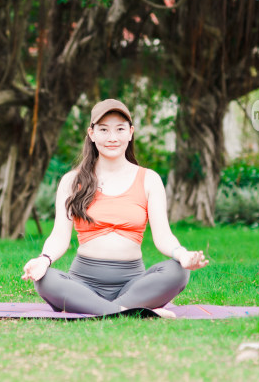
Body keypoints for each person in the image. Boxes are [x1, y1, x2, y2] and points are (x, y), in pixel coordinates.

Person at [21, 99, 208, 318]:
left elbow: (163, 236)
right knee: (44, 279)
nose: (112, 138)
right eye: (103, 130)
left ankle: (103, 310)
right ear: (91, 134)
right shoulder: (72, 181)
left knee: (178, 271)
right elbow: (59, 236)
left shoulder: (149, 180)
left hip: (133, 285)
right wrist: (43, 260)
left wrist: (182, 255)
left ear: (130, 132)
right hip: (83, 284)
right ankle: (131, 312)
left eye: (119, 129)